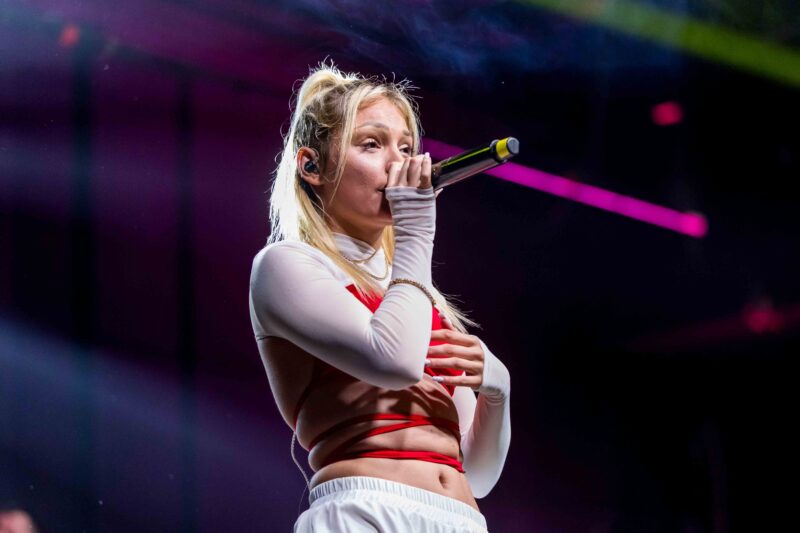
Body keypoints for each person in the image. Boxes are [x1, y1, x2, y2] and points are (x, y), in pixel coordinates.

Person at [249, 60, 511, 532]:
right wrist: (416, 231)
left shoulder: (419, 297)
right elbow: (394, 361)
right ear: (311, 166)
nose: (400, 164)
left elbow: (479, 474)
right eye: (372, 144)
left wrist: (498, 385)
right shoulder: (284, 265)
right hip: (366, 509)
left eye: (407, 148)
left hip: (459, 519)